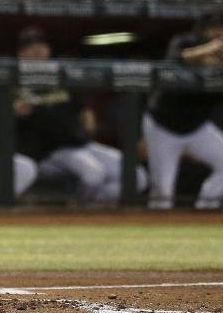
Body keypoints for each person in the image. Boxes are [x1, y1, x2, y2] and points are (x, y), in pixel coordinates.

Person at [14, 27, 147, 202]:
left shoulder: (62, 76)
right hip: (48, 152)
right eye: (29, 47)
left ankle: (93, 210)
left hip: (81, 144)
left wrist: (87, 125)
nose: (37, 50)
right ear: (20, 54)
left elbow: (83, 110)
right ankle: (79, 212)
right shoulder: (14, 81)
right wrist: (15, 110)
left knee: (138, 177)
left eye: (41, 45)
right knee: (93, 174)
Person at [143, 12, 223, 210]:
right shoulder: (185, 41)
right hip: (164, 126)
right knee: (163, 192)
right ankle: (156, 235)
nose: (218, 32)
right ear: (202, 30)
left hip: (198, 128)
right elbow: (175, 58)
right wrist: (208, 50)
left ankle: (205, 207)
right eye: (214, 28)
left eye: (221, 29)